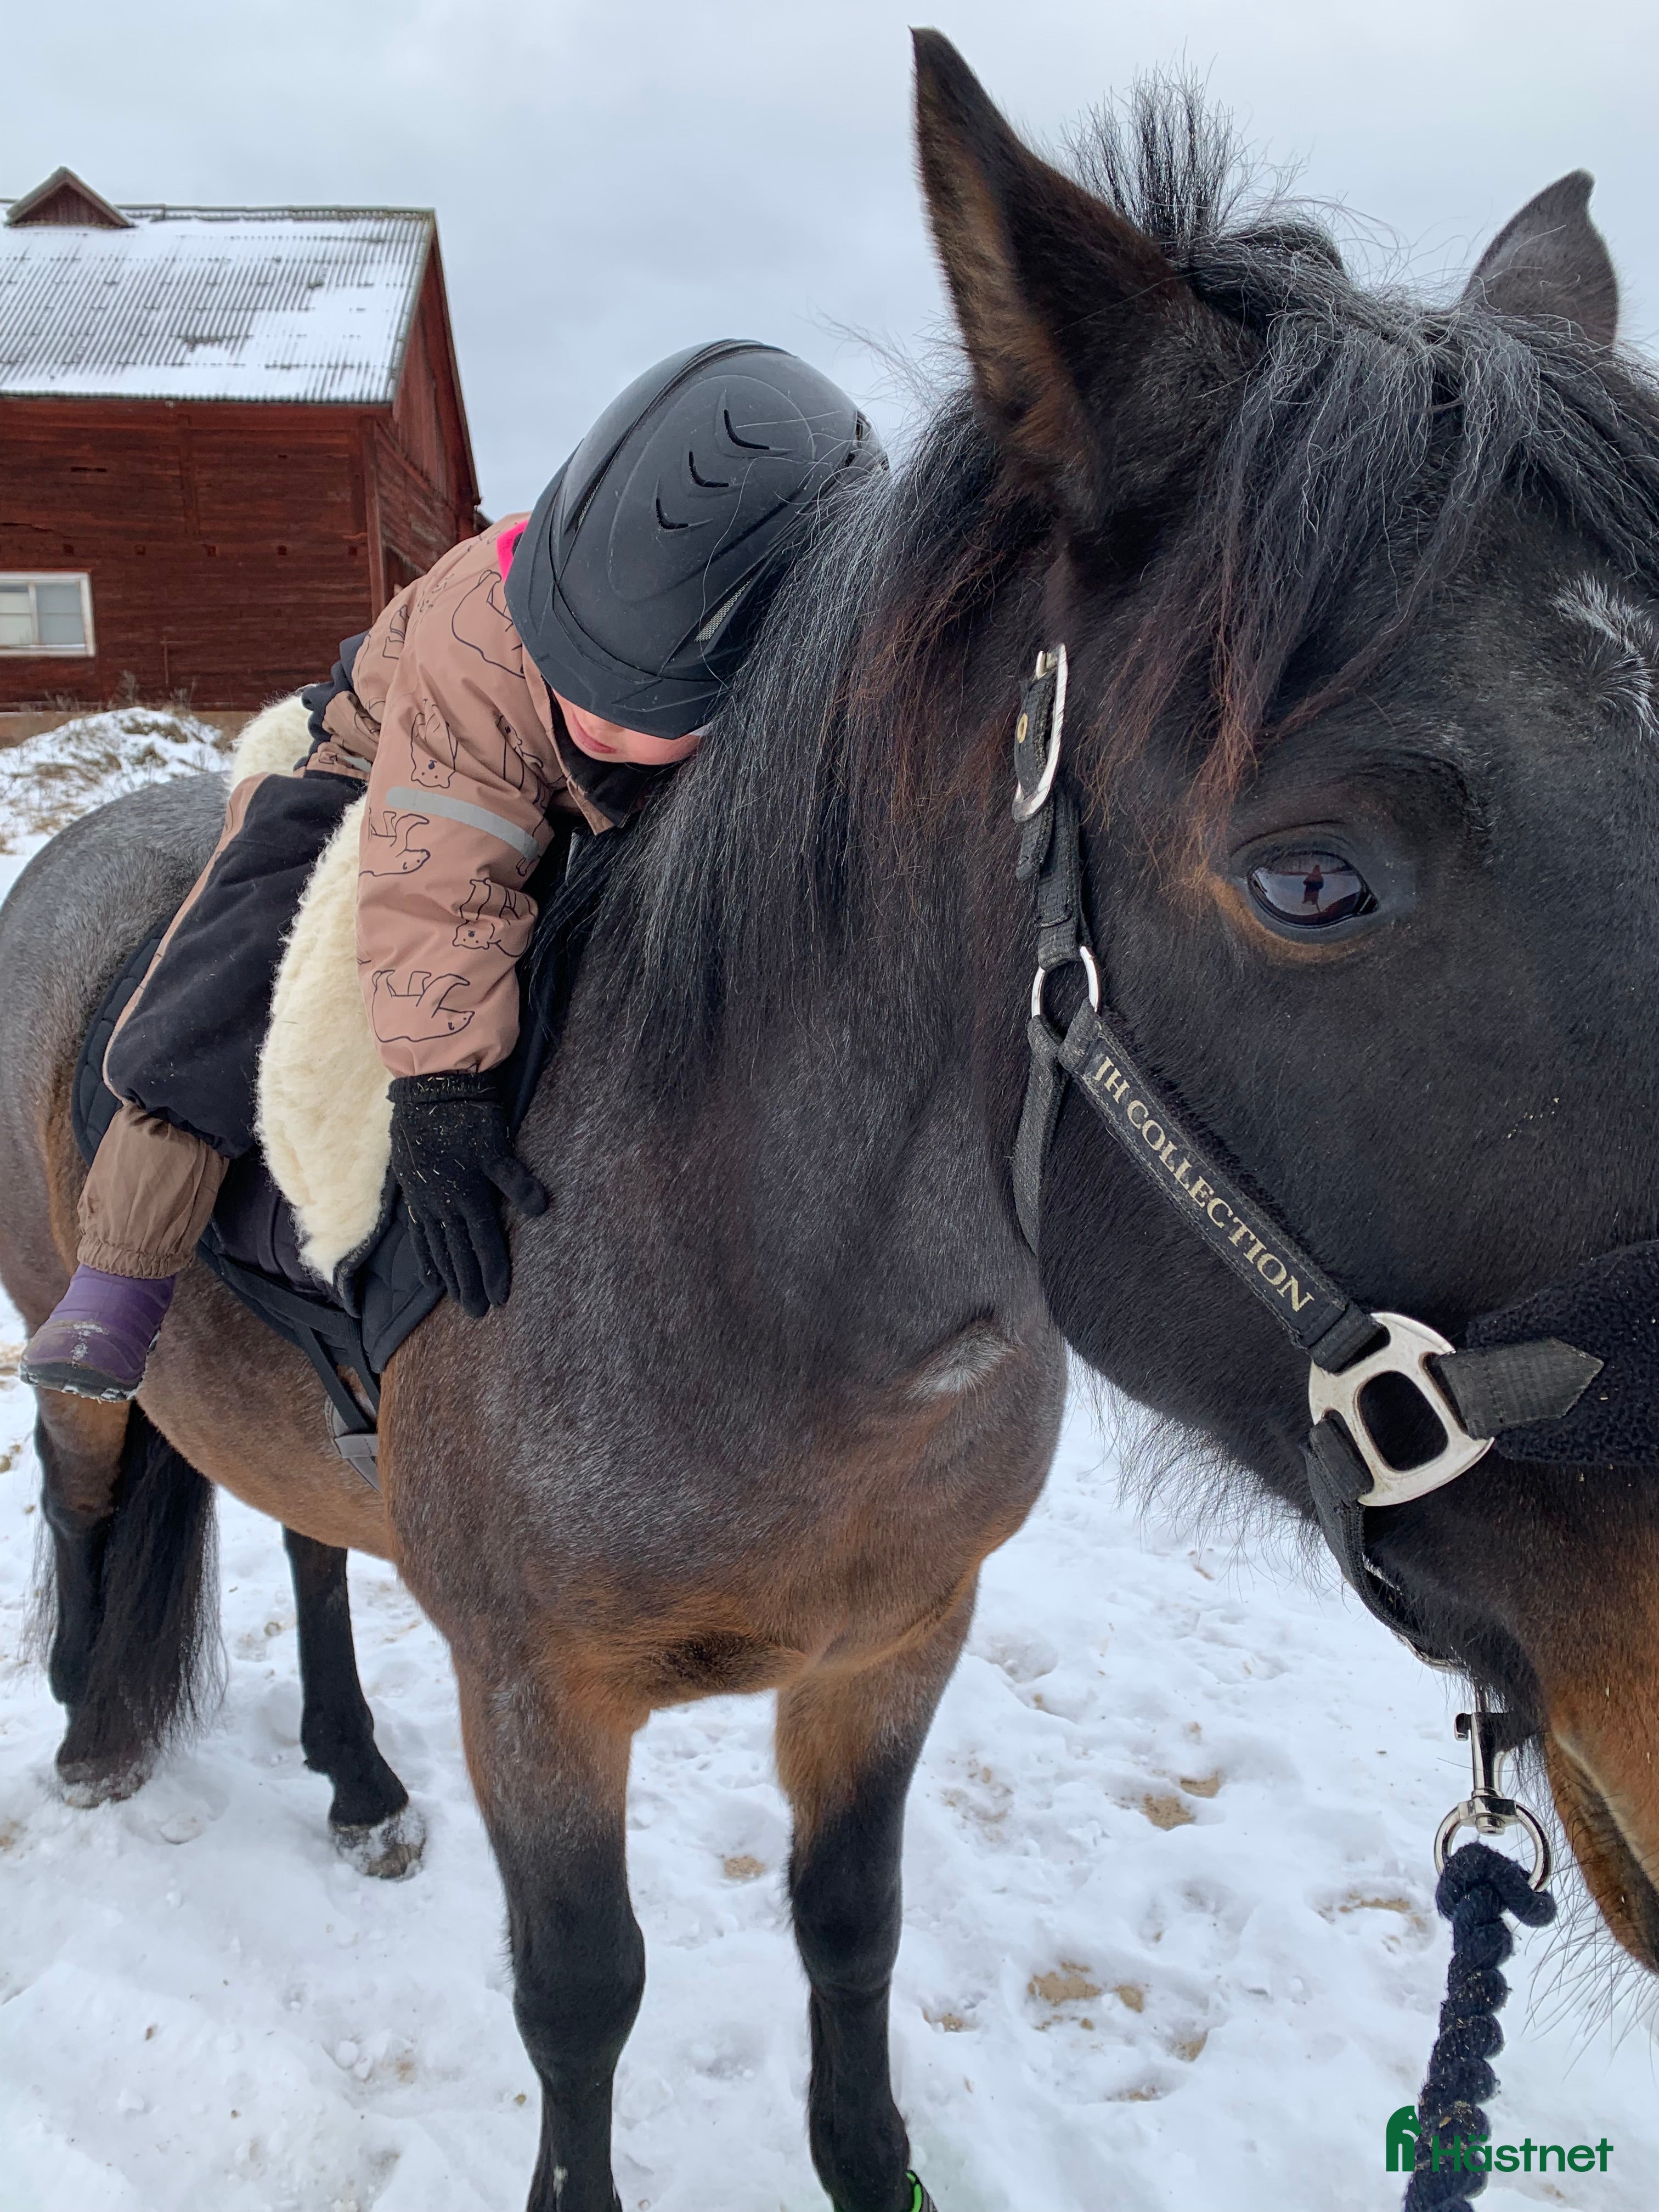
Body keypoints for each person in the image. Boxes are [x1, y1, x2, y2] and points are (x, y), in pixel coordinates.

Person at [22, 341, 883, 1400]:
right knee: (228, 970)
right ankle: (121, 1271)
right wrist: (440, 1089)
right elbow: (439, 871)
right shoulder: (487, 633)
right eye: (578, 671)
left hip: (567, 791)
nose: (596, 712)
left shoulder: (787, 682)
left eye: (645, 706)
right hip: (390, 758)